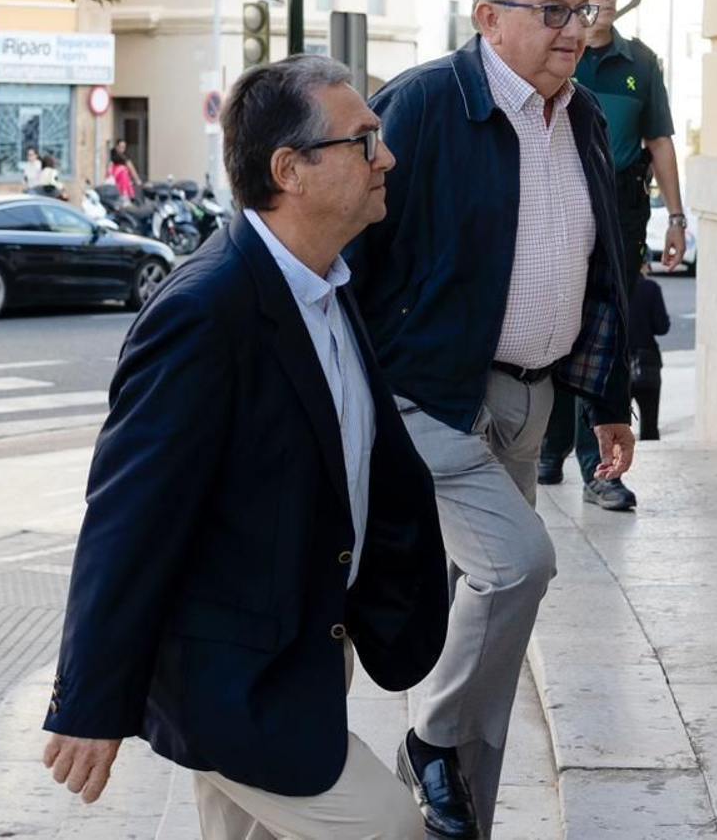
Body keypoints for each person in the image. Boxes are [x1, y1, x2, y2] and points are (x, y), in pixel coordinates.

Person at [41, 55, 449, 840]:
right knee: (390, 827)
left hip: (302, 643)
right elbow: (130, 516)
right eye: (364, 141)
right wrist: (89, 700)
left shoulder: (327, 280)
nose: (387, 157)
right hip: (230, 672)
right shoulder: (205, 312)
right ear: (290, 169)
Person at [346, 0, 637, 839]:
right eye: (551, 11)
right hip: (424, 397)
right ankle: (431, 741)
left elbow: (603, 266)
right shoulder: (425, 105)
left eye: (579, 9)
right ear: (488, 16)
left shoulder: (581, 114)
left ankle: (461, 809)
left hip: (530, 399)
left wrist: (611, 399)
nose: (572, 28)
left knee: (499, 622)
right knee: (520, 566)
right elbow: (345, 248)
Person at [536, 0, 686, 512]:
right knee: (554, 319)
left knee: (610, 333)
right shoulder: (556, 53)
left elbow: (661, 142)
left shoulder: (640, 62)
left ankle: (599, 469)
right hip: (557, 202)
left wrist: (675, 217)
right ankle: (547, 451)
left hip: (622, 209)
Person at [628, 270, 671, 441]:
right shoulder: (650, 288)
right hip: (647, 363)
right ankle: (650, 456)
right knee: (649, 423)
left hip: (616, 365)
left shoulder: (614, 285)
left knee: (615, 424)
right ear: (644, 264)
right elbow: (662, 327)